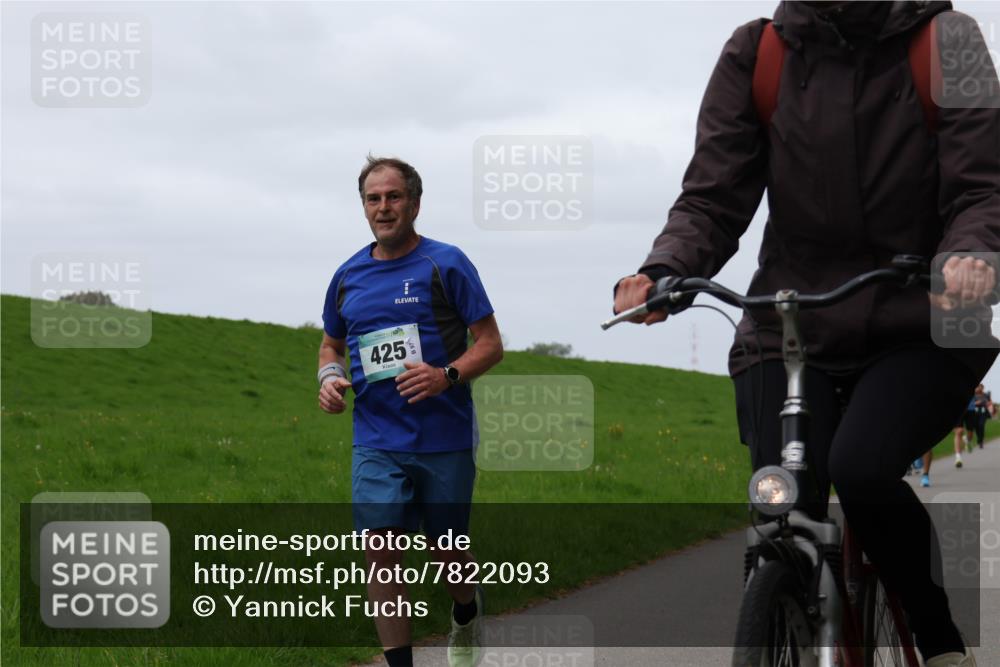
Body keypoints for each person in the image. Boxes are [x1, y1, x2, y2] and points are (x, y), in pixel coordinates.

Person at [613, 3, 998, 666]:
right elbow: (713, 193)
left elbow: (984, 187)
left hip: (920, 318)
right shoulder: (757, 52)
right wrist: (667, 267)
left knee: (862, 468)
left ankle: (939, 640)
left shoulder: (948, 40)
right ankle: (777, 619)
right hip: (787, 324)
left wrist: (968, 253)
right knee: (781, 504)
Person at [318, 156, 503, 667]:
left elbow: (489, 344)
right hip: (377, 439)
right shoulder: (347, 276)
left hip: (443, 438)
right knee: (380, 553)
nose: (383, 207)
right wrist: (329, 378)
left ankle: (466, 610)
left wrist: (445, 375)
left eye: (393, 197)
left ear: (415, 204)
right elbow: (330, 345)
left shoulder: (446, 264)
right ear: (364, 207)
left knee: (448, 558)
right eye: (373, 199)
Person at [972, 384, 992, 449]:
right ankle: (978, 438)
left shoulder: (986, 395)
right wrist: (976, 403)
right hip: (974, 413)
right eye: (978, 387)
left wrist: (988, 404)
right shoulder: (973, 395)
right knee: (976, 426)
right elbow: (971, 404)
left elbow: (989, 403)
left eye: (981, 388)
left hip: (983, 413)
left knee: (981, 425)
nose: (980, 389)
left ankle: (981, 441)